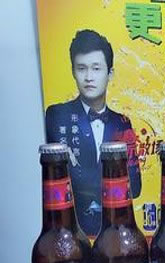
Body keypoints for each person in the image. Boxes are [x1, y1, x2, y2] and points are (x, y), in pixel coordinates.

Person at [45, 29, 141, 237]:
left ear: (110, 73)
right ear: (73, 71)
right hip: (72, 234)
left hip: (116, 232)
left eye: (96, 69)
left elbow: (135, 186)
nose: (89, 77)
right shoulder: (57, 115)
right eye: (82, 68)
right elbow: (59, 182)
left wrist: (81, 174)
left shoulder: (122, 123)